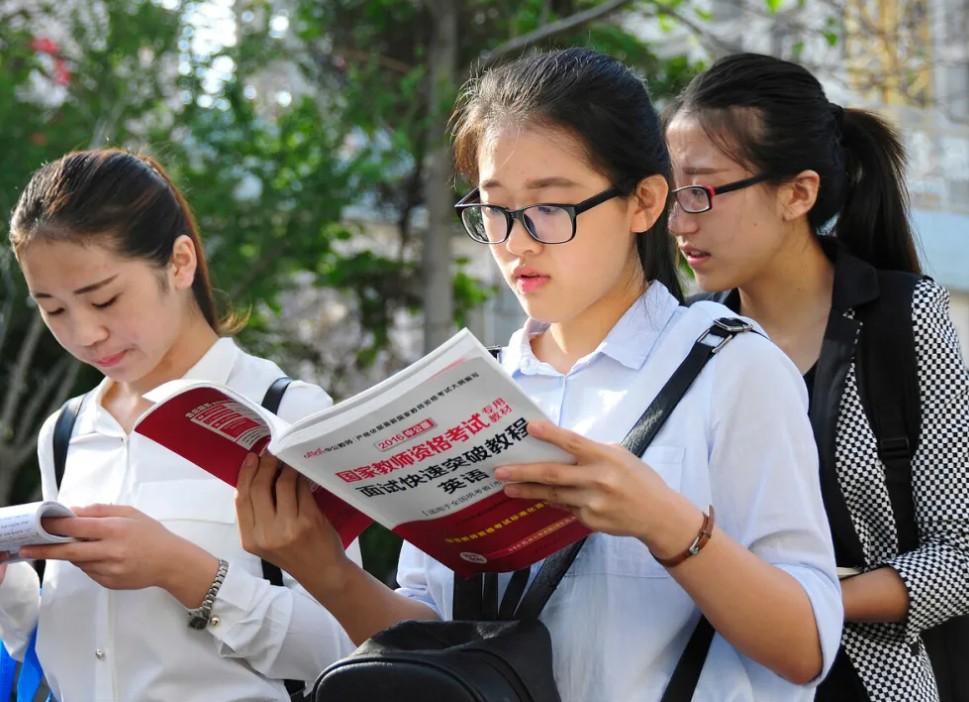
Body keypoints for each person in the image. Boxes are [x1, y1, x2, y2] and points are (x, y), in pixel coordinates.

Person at [235, 49, 843, 701]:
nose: (516, 242)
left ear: (643, 202)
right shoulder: (467, 391)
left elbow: (805, 647)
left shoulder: (731, 368)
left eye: (550, 208)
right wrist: (322, 567)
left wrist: (666, 524)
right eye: (494, 210)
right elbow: (441, 646)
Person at [0, 149, 361, 702]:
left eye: (104, 298)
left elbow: (349, 646)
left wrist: (184, 572)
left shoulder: (283, 413)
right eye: (53, 309)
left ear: (180, 263)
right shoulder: (68, 431)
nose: (85, 334)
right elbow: (64, 654)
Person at [665, 53, 969, 702]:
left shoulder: (899, 316)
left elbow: (962, 554)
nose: (679, 221)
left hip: (865, 680)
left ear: (796, 194)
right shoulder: (687, 339)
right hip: (716, 682)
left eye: (702, 190)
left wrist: (802, 606)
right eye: (670, 192)